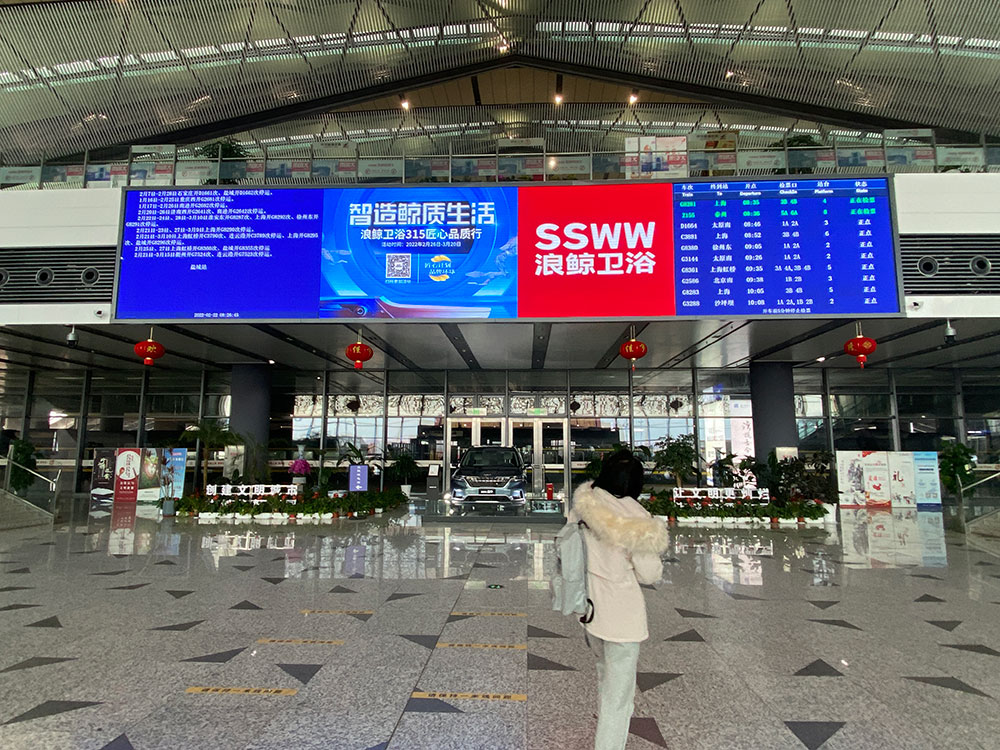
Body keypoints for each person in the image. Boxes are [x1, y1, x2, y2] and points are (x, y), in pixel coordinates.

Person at [568, 449, 669, 750]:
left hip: (589, 608)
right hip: (622, 617)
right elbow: (649, 574)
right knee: (619, 696)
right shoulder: (637, 520)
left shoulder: (584, 505)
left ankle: (604, 725)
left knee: (604, 673)